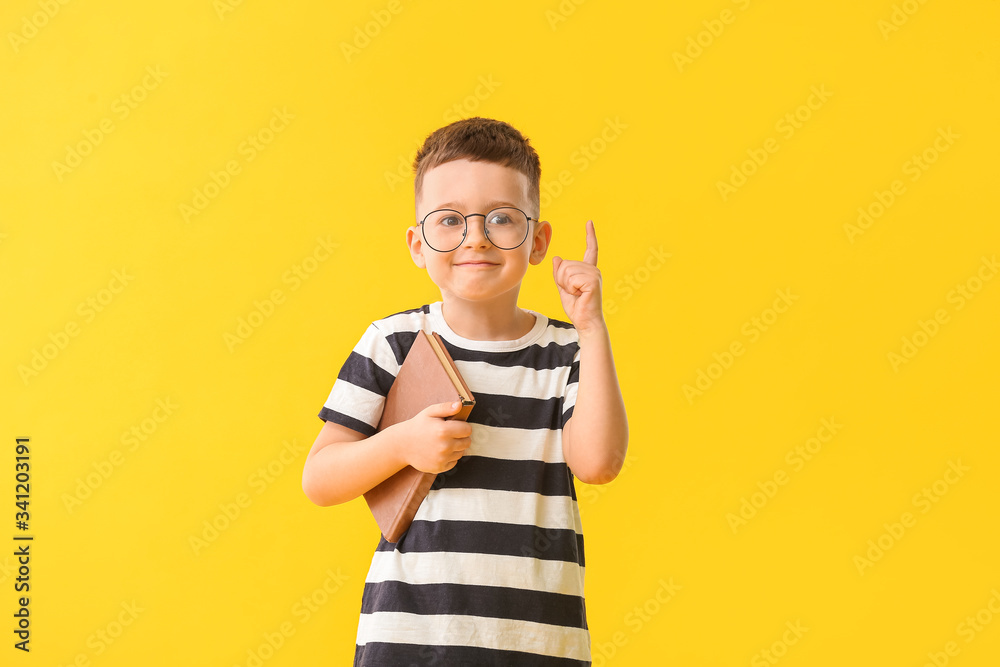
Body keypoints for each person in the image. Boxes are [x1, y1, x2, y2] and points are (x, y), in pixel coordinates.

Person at [301, 116, 628, 665]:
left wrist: (593, 328)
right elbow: (320, 478)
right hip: (409, 640)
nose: (475, 236)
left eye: (501, 218)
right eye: (449, 221)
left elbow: (596, 463)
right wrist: (402, 445)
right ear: (417, 244)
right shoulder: (393, 341)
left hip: (538, 642)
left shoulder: (568, 350)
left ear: (539, 240)